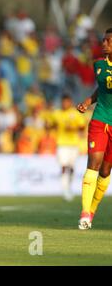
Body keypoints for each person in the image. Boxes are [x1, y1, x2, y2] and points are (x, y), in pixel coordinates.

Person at [76, 28, 112, 230]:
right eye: (104, 40)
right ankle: (84, 213)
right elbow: (102, 88)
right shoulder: (98, 65)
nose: (104, 43)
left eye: (108, 41)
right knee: (94, 164)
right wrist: (89, 101)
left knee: (106, 171)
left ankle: (92, 210)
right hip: (99, 119)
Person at [52, 94, 86, 201]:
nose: (65, 104)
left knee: (71, 168)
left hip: (73, 144)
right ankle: (65, 189)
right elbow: (51, 124)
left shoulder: (75, 113)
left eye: (67, 102)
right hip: (61, 144)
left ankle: (69, 187)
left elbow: (82, 126)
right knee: (63, 166)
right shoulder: (57, 113)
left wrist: (73, 128)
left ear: (70, 102)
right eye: (63, 102)